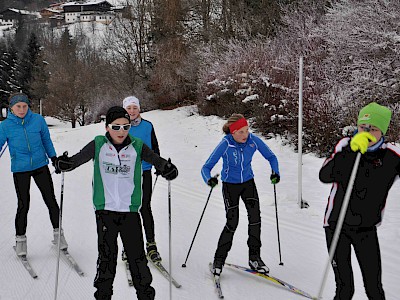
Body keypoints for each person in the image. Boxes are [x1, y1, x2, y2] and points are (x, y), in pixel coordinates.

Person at [53, 106, 178, 300]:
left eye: (125, 127)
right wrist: (65, 164)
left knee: (138, 260)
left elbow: (155, 159)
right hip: (105, 212)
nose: (121, 131)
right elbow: (77, 160)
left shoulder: (137, 145)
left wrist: (167, 168)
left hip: (130, 212)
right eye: (116, 127)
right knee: (107, 260)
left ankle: (145, 295)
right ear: (107, 127)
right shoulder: (98, 144)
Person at [319, 102, 400, 300]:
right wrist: (351, 152)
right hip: (336, 225)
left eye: (373, 129)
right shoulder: (345, 146)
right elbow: (325, 175)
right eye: (363, 127)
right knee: (345, 288)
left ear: (383, 131)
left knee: (374, 287)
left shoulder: (391, 157)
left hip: (366, 229)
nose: (367, 132)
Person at [201, 113, 280, 276]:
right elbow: (206, 167)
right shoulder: (225, 144)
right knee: (232, 222)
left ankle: (254, 258)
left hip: (248, 184)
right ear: (232, 132)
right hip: (230, 186)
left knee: (255, 219)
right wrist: (209, 180)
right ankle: (219, 260)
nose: (245, 134)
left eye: (247, 130)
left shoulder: (253, 140)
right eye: (241, 132)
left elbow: (271, 157)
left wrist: (275, 172)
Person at [0, 93, 68, 257]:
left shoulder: (38, 120)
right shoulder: (6, 126)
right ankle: (21, 242)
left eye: (25, 106)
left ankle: (59, 238)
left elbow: (46, 140)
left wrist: (54, 159)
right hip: (20, 169)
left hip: (40, 165)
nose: (22, 109)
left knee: (50, 200)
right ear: (11, 108)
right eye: (18, 107)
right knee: (23, 204)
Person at [122, 96, 162, 262]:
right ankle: (128, 245)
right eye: (129, 108)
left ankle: (151, 245)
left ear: (139, 109)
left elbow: (154, 146)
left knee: (145, 207)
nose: (132, 111)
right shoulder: (121, 126)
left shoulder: (147, 126)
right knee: (129, 209)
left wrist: (160, 164)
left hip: (144, 171)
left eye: (135, 108)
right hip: (125, 173)